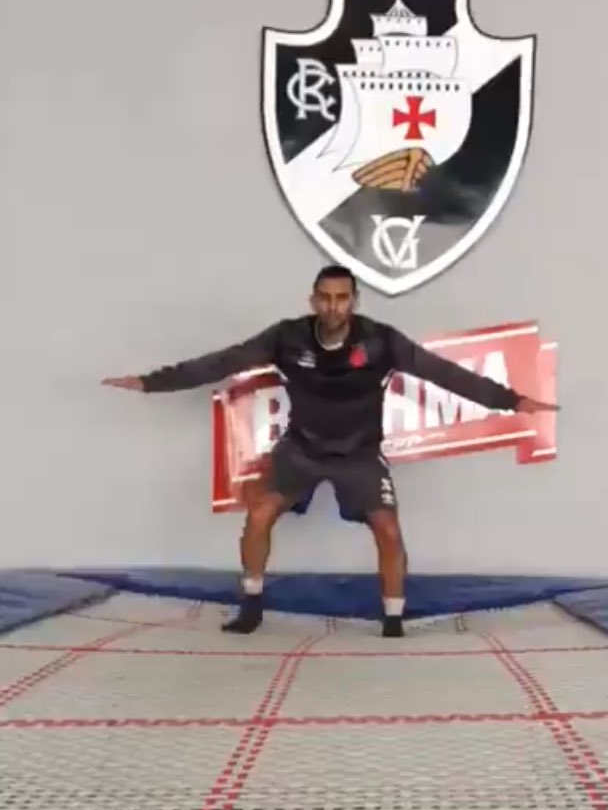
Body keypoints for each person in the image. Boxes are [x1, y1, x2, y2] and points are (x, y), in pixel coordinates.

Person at [102, 265, 558, 637]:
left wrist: (512, 401)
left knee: (389, 530)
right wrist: (151, 382)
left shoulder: (381, 340)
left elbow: (444, 374)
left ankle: (393, 619)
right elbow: (222, 362)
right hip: (302, 448)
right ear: (313, 301)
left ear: (354, 301)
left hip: (359, 453)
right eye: (325, 297)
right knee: (259, 514)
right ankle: (251, 606)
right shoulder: (287, 337)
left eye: (342, 298)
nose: (333, 306)